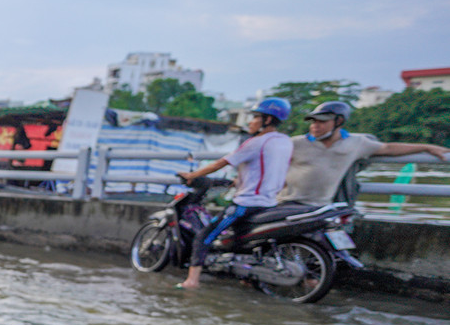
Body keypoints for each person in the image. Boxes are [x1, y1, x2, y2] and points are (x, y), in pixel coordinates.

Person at [176, 97, 294, 290]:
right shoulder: (285, 142)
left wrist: (192, 175)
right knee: (240, 238)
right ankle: (246, 277)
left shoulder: (256, 142)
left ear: (268, 120)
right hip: (270, 202)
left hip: (246, 204)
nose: (250, 122)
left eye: (255, 117)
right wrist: (236, 182)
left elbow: (221, 163)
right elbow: (265, 169)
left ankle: (191, 281)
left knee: (204, 237)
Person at [278, 101, 449, 206]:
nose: (315, 125)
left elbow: (387, 148)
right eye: (313, 121)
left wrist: (426, 147)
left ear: (339, 121)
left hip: (322, 205)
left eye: (322, 121)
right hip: (288, 202)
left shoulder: (357, 143)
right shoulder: (296, 143)